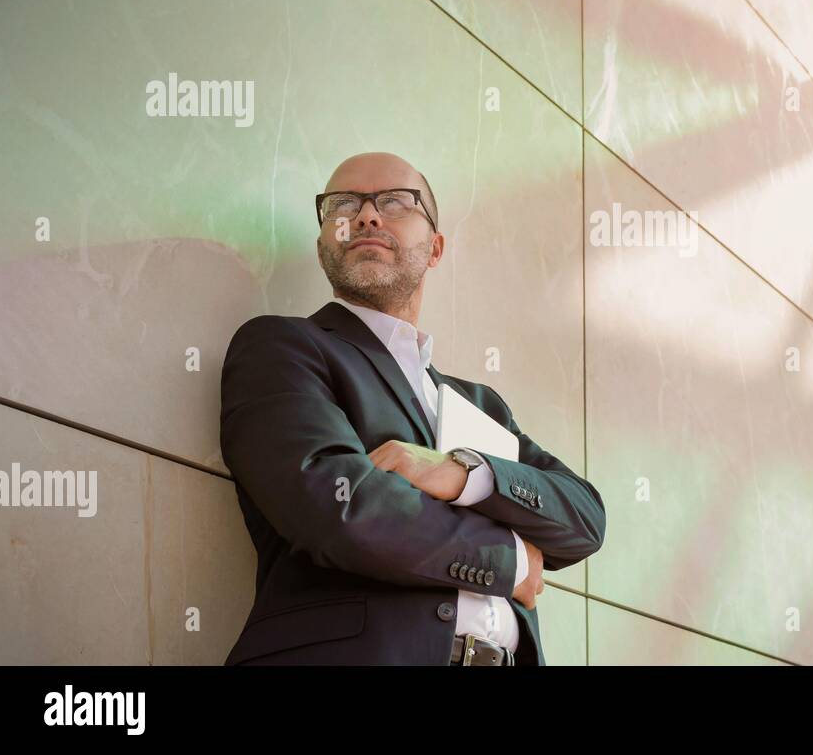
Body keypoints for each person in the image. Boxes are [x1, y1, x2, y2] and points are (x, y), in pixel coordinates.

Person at [219, 151, 605, 665]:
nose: (366, 215)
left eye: (396, 201)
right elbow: (336, 505)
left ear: (436, 248)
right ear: (321, 246)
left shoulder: (481, 405)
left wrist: (465, 474)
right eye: (343, 203)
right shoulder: (282, 347)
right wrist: (510, 560)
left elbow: (583, 519)